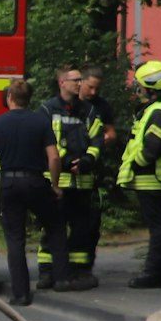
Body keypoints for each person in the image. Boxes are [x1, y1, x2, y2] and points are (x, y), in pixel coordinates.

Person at [0, 77, 68, 305]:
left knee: (15, 239)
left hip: (8, 185)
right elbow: (54, 157)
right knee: (56, 226)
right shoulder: (40, 122)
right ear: (29, 98)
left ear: (9, 97)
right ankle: (62, 278)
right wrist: (55, 185)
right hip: (35, 183)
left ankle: (20, 294)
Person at [40, 64, 112, 290]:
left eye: (81, 80)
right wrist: (64, 161)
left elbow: (97, 139)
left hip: (82, 181)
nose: (80, 84)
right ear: (62, 83)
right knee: (52, 227)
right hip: (57, 181)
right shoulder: (47, 110)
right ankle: (47, 271)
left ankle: (78, 271)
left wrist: (88, 160)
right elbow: (43, 139)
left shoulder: (89, 111)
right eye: (76, 80)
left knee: (81, 228)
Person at [118, 58, 161, 288]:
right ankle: (153, 272)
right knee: (157, 225)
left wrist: (137, 164)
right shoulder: (157, 110)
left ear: (152, 86)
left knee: (157, 226)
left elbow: (152, 147)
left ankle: (153, 274)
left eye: (141, 85)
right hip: (150, 177)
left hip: (150, 177)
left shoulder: (158, 112)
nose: (139, 90)